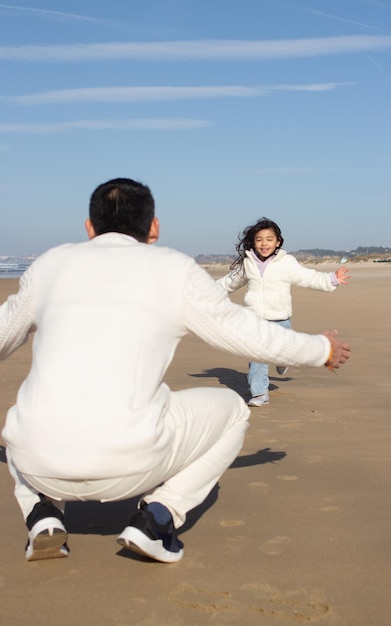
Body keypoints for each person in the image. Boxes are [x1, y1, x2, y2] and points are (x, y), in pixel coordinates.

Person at [0, 179, 350, 564]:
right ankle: (158, 517)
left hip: (38, 466)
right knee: (234, 410)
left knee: (24, 415)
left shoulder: (50, 265)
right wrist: (321, 349)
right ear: (154, 229)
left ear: (89, 228)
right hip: (133, 466)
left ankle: (43, 514)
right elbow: (246, 335)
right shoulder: (172, 269)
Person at [217, 217, 350, 407]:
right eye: (259, 239)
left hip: (280, 318)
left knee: (282, 352)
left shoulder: (286, 262)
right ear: (253, 242)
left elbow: (307, 277)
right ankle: (259, 393)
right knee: (257, 357)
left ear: (278, 242)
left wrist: (331, 280)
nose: (264, 244)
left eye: (269, 239)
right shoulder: (248, 263)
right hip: (255, 320)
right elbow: (229, 282)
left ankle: (283, 361)